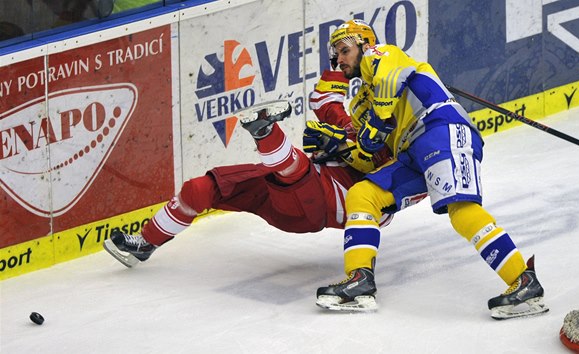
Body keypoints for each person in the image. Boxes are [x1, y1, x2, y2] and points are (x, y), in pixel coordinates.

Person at [314, 19, 548, 320]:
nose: (339, 59)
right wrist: (338, 149)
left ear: (364, 44)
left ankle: (524, 282)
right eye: (336, 54)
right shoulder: (361, 105)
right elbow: (369, 153)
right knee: (363, 194)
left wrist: (377, 120)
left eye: (344, 50)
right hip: (411, 153)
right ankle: (360, 282)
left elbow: (387, 83)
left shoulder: (382, 54)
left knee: (461, 209)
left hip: (440, 129)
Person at [104, 87, 423, 267]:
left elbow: (381, 207)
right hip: (288, 189)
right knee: (199, 189)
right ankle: (144, 244)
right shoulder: (362, 123)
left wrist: (340, 145)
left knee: (294, 168)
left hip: (322, 204)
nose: (366, 114)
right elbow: (322, 97)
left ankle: (266, 131)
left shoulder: (413, 155)